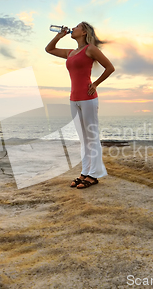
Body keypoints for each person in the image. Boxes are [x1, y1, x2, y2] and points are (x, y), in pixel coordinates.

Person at [45, 22, 115, 189]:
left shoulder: (90, 49)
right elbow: (49, 49)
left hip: (88, 98)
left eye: (76, 27)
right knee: (83, 139)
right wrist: (59, 35)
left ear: (84, 32)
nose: (72, 28)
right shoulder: (71, 53)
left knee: (92, 136)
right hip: (74, 99)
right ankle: (85, 172)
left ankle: (93, 174)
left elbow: (110, 67)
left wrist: (96, 84)